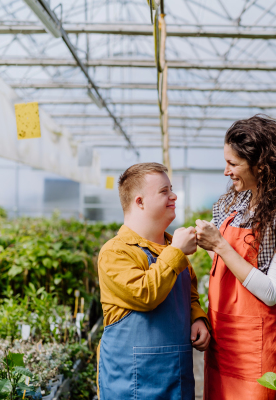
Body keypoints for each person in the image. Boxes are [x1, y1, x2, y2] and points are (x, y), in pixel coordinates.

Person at [195, 115, 276, 400]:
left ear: (261, 165)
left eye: (233, 164)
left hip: (259, 352)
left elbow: (273, 292)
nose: (226, 172)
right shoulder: (231, 204)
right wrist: (205, 243)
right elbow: (226, 262)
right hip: (223, 343)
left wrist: (221, 245)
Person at [96, 162, 210, 400]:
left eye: (172, 189)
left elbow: (189, 297)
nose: (174, 195)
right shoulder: (116, 252)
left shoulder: (172, 249)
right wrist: (177, 252)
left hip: (176, 380)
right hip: (132, 384)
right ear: (140, 202)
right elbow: (144, 293)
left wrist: (197, 318)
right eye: (164, 191)